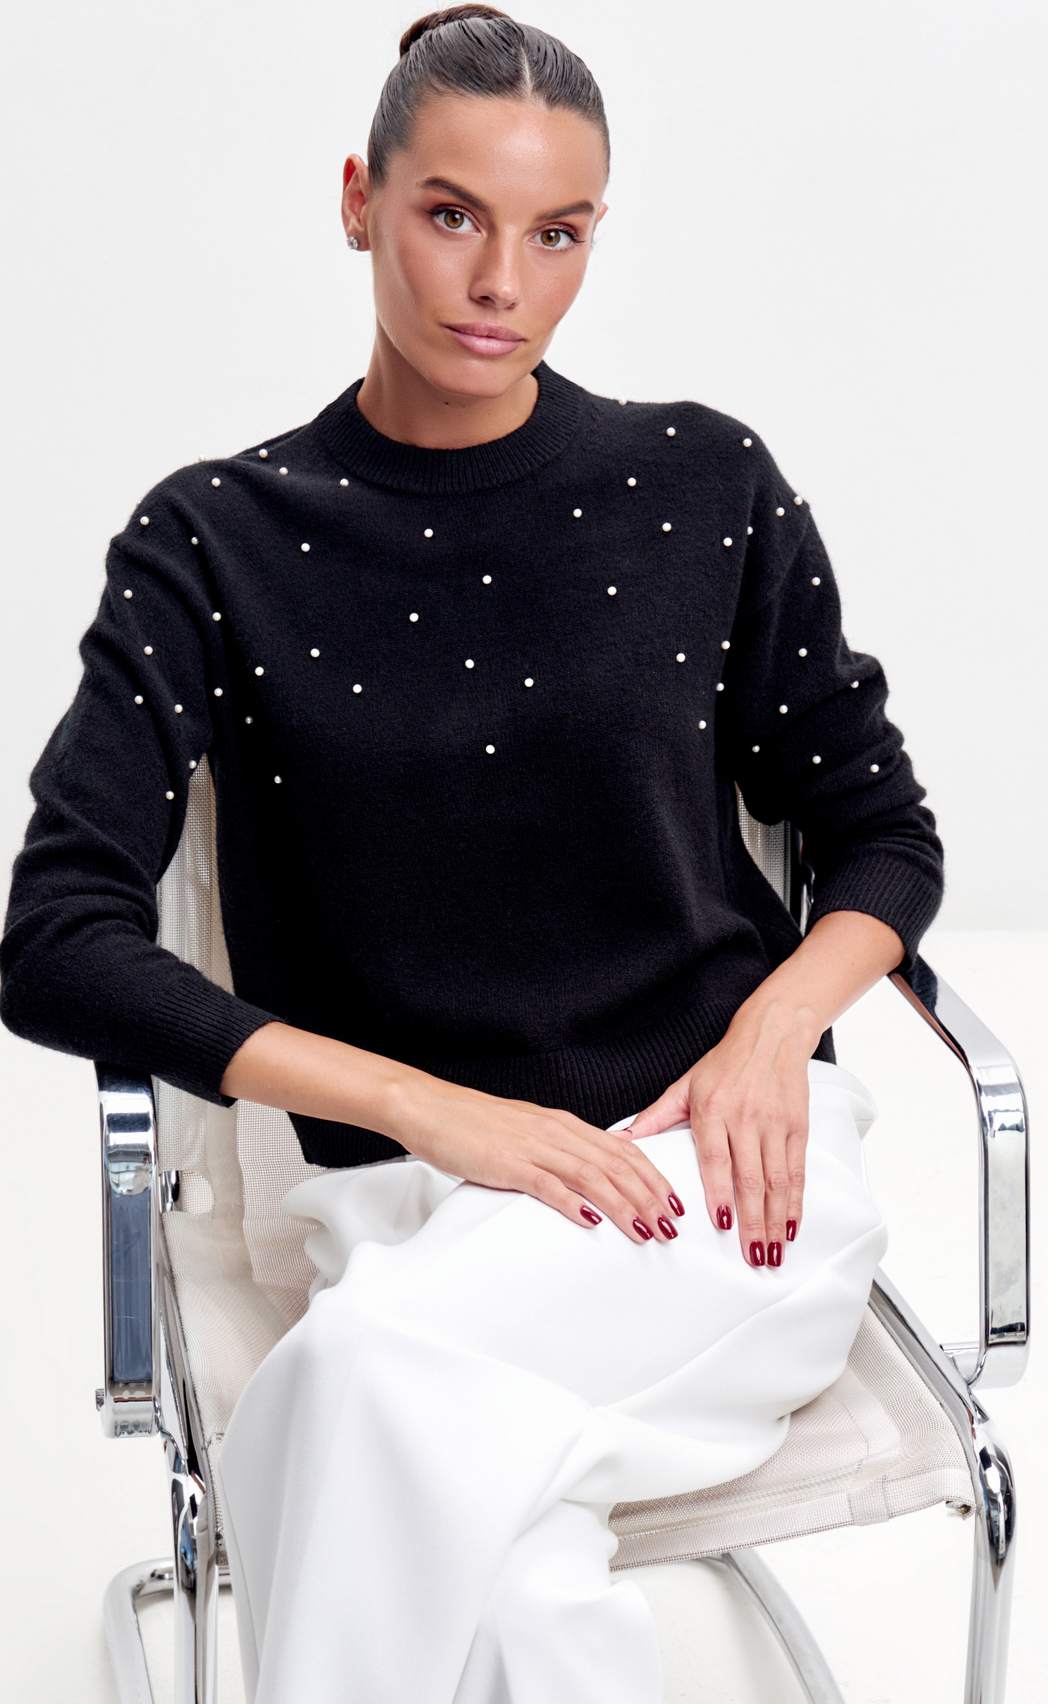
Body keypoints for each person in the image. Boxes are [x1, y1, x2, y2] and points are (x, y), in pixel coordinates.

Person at [0, 6, 945, 1700]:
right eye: (452, 214)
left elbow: (881, 832)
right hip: (397, 1217)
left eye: (557, 233)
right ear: (357, 199)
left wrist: (770, 1034)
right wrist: (437, 1113)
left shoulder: (701, 481)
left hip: (709, 1190)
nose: (501, 280)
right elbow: (58, 940)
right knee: (495, 1544)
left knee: (361, 1386)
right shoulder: (215, 539)